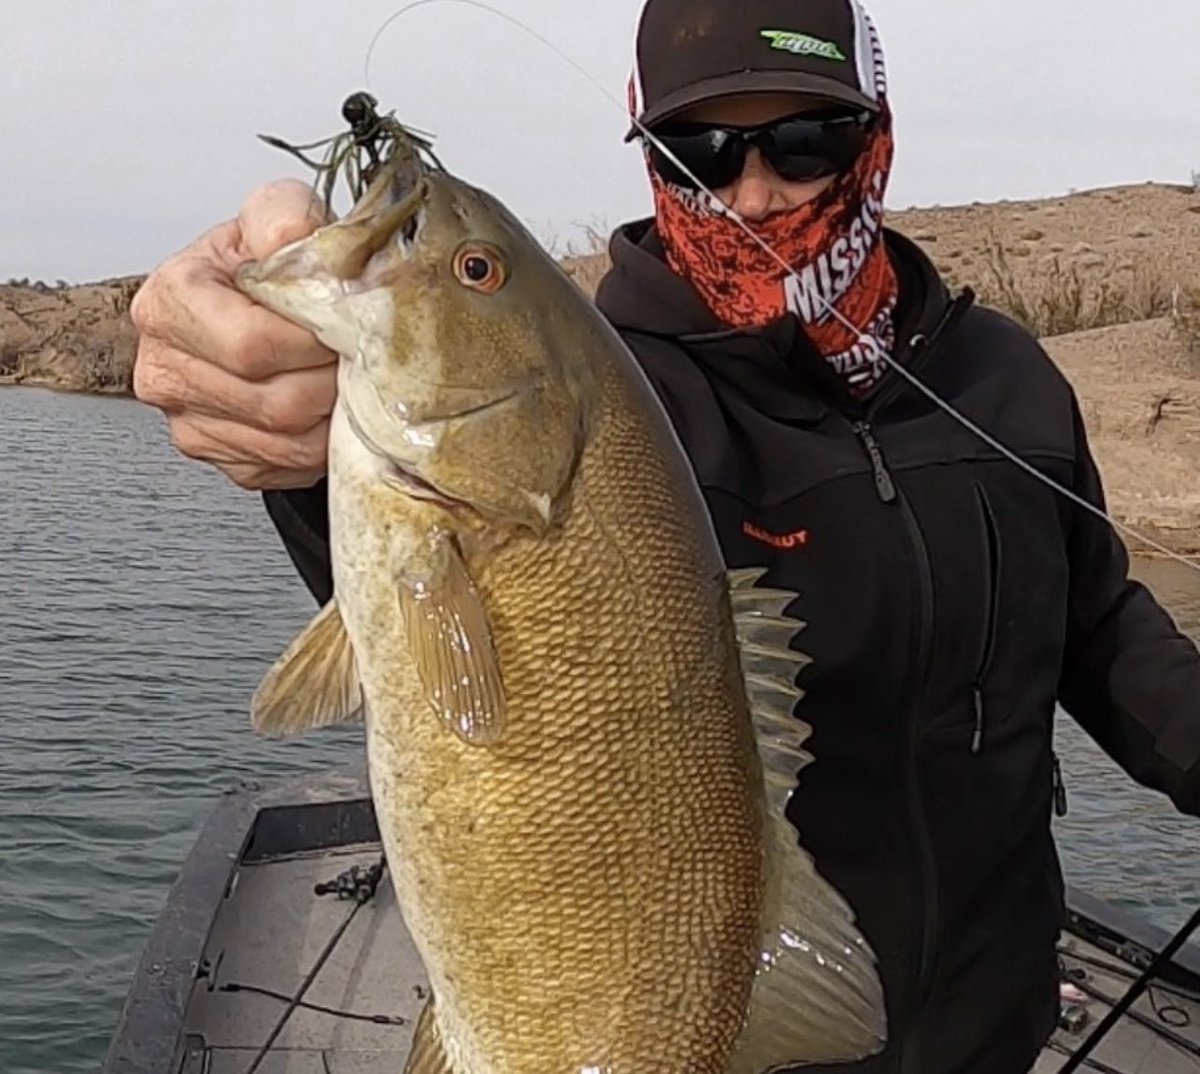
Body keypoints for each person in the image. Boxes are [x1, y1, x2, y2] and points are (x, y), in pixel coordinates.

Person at [130, 0, 1200, 1070]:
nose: (751, 191)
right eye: (699, 150)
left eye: (804, 141)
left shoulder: (1003, 378)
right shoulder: (620, 402)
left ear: (875, 138)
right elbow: (431, 593)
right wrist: (291, 446)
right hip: (703, 1027)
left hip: (991, 1028)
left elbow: (1098, 622)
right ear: (649, 152)